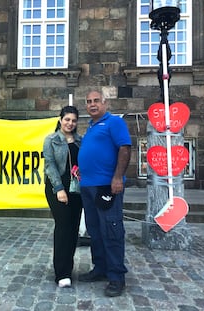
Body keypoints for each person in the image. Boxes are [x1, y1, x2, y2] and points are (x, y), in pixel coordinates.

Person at [77, 90, 131, 297]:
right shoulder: (90, 127)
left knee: (111, 230)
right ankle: (100, 268)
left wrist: (117, 177)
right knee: (95, 230)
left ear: (105, 103)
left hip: (107, 186)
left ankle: (116, 276)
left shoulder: (114, 123)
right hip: (88, 186)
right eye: (89, 101)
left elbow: (125, 149)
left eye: (96, 101)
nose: (92, 104)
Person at [43, 105, 83, 288]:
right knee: (63, 226)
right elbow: (50, 165)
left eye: (73, 120)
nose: (70, 123)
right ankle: (61, 272)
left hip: (77, 188)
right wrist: (59, 189)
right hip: (57, 188)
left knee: (73, 228)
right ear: (60, 120)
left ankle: (69, 266)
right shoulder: (51, 139)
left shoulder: (80, 140)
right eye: (67, 119)